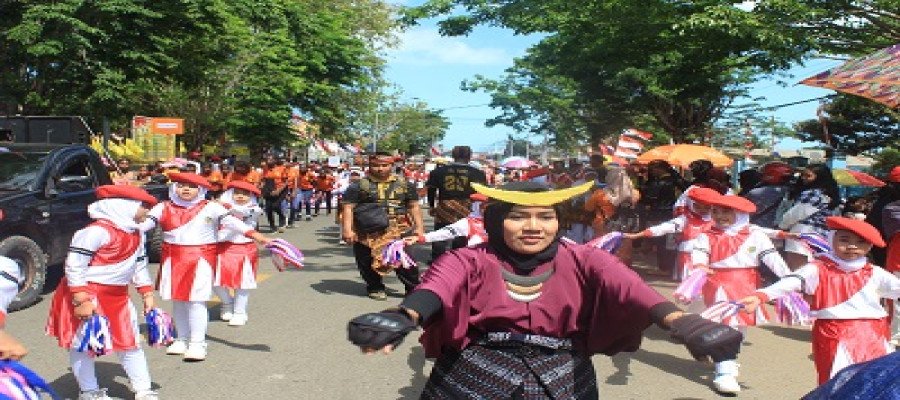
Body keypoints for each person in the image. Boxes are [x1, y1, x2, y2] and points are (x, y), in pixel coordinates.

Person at [346, 181, 744, 398]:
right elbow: (435, 289)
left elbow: (634, 291)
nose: (534, 227)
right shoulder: (468, 259)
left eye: (545, 217)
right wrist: (403, 315)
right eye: (519, 217)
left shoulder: (585, 258)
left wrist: (683, 321)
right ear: (497, 222)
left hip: (566, 376)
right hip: (472, 375)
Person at [741, 217, 899, 384]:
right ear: (831, 240)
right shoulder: (817, 268)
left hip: (873, 332)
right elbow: (791, 282)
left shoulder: (874, 272)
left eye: (861, 242)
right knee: (836, 379)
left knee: (876, 380)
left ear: (869, 246)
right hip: (833, 331)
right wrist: (761, 296)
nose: (852, 246)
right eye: (844, 240)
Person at [138, 173, 271, 361]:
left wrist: (257, 236)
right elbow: (142, 226)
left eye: (191, 186)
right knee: (178, 301)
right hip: (173, 260)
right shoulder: (163, 207)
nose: (185, 189)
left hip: (200, 260)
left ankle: (197, 343)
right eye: (181, 185)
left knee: (196, 302)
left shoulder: (211, 207)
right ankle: (182, 338)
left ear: (200, 190)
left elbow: (233, 223)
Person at [45, 185, 160, 400]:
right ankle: (89, 392)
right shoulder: (95, 232)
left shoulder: (136, 232)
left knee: (130, 341)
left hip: (118, 296)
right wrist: (81, 300)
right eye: (143, 205)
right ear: (124, 206)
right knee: (83, 345)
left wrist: (147, 294)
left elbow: (139, 265)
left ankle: (143, 389)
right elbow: (75, 265)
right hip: (89, 295)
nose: (147, 211)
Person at [690, 192, 791, 393]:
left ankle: (725, 358)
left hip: (746, 286)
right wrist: (700, 265)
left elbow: (773, 259)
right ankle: (725, 370)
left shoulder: (756, 235)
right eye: (715, 211)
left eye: (726, 211)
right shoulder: (706, 235)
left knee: (739, 328)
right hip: (717, 285)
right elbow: (699, 254)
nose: (719, 216)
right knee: (726, 325)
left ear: (740, 214)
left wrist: (790, 279)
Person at [342, 153, 425, 300]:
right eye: (375, 165)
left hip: (399, 227)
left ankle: (412, 288)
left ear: (391, 165)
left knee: (405, 259)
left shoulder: (405, 184)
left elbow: (413, 206)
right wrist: (347, 230)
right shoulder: (358, 186)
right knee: (366, 259)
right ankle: (375, 287)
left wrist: (419, 227)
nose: (380, 169)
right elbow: (348, 208)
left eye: (384, 165)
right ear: (369, 166)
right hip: (368, 229)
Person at [214, 181, 264, 327]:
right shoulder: (218, 207)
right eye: (237, 193)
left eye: (245, 194)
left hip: (244, 248)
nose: (241, 196)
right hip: (220, 246)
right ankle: (227, 303)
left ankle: (240, 312)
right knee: (214, 280)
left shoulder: (254, 209)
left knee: (242, 283)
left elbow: (241, 213)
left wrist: (224, 206)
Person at [424, 146, 487, 261]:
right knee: (462, 233)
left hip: (445, 205)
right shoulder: (478, 173)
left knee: (441, 232)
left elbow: (431, 190)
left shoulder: (438, 171)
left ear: (453, 156)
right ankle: (458, 260)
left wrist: (431, 205)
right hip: (467, 206)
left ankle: (437, 259)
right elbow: (483, 193)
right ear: (469, 156)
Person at [779, 164, 841, 269]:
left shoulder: (813, 193)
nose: (803, 178)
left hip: (803, 235)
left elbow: (796, 214)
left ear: (820, 177)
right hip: (822, 237)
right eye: (803, 175)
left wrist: (781, 226)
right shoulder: (830, 195)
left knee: (796, 270)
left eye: (808, 176)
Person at [637, 159, 686, 275]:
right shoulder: (676, 181)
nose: (652, 172)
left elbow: (649, 198)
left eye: (653, 169)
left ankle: (664, 268)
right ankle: (668, 267)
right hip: (672, 213)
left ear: (660, 169)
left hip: (659, 213)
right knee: (669, 242)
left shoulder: (659, 183)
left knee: (661, 241)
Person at [403, 193, 489, 248]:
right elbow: (445, 232)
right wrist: (420, 238)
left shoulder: (497, 222)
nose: (485, 209)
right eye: (482, 206)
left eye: (489, 206)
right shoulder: (469, 223)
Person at [743, 162, 793, 229]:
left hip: (757, 230)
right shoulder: (794, 192)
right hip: (781, 230)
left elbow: (742, 213)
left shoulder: (755, 193)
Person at [260, 159, 289, 233]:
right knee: (268, 209)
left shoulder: (282, 169)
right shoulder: (265, 169)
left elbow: (286, 182)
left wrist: (278, 190)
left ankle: (282, 218)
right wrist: (261, 188)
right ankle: (272, 226)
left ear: (275, 161)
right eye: (268, 159)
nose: (269, 161)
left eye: (271, 159)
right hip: (268, 189)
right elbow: (263, 180)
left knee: (275, 206)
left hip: (280, 190)